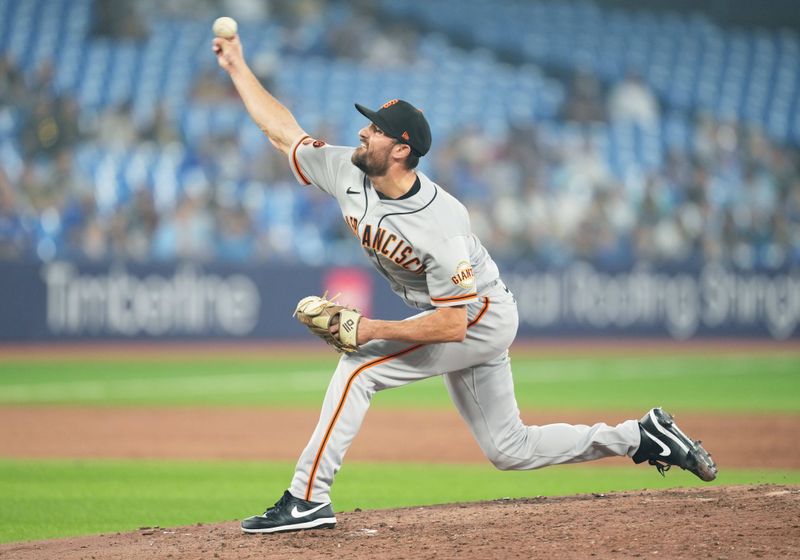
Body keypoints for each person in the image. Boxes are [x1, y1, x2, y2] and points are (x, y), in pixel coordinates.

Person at [212, 33, 717, 534]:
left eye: (376, 129)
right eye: (368, 125)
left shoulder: (441, 221)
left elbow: (454, 323)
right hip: (454, 314)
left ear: (401, 149)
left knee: (358, 368)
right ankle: (640, 436)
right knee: (509, 449)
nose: (364, 133)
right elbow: (284, 132)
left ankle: (306, 498)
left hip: (478, 316)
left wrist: (368, 330)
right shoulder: (347, 170)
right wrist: (236, 65)